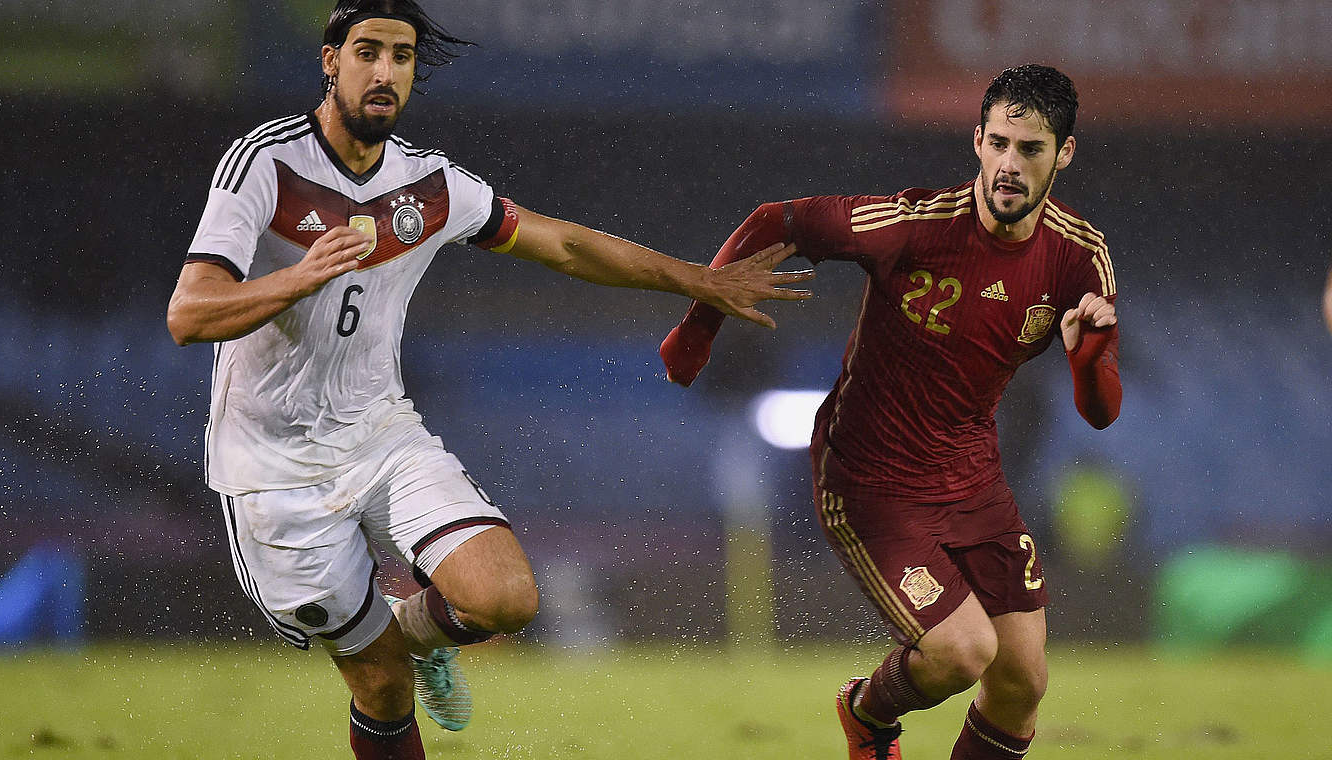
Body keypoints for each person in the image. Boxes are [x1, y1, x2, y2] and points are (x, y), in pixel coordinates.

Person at [165, 2, 812, 758]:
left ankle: (416, 632)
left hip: (379, 434)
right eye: (367, 52)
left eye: (401, 57)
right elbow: (191, 313)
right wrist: (298, 278)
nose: (384, 72)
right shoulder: (266, 164)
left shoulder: (429, 187)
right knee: (380, 686)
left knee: (508, 598)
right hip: (272, 468)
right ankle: (394, 652)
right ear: (330, 61)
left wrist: (697, 281)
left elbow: (564, 245)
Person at [661, 64, 1120, 760]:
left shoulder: (1080, 258)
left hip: (973, 483)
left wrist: (1089, 363)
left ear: (1065, 153)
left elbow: (1101, 411)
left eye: (1030, 149)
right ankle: (868, 714)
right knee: (964, 653)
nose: (1009, 165)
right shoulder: (911, 224)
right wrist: (695, 331)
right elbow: (776, 222)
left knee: (1023, 680)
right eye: (999, 142)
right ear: (977, 140)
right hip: (870, 480)